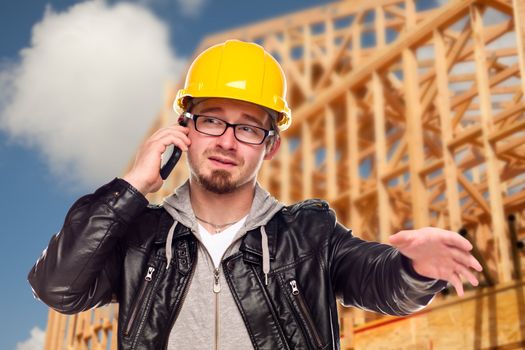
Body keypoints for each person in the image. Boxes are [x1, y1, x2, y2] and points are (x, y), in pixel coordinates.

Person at [29, 40, 482, 350]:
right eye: (211, 119)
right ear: (185, 128)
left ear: (271, 144)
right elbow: (58, 287)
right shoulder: (141, 238)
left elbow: (377, 281)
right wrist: (131, 187)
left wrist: (415, 269)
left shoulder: (309, 235)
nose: (227, 140)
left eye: (247, 127)